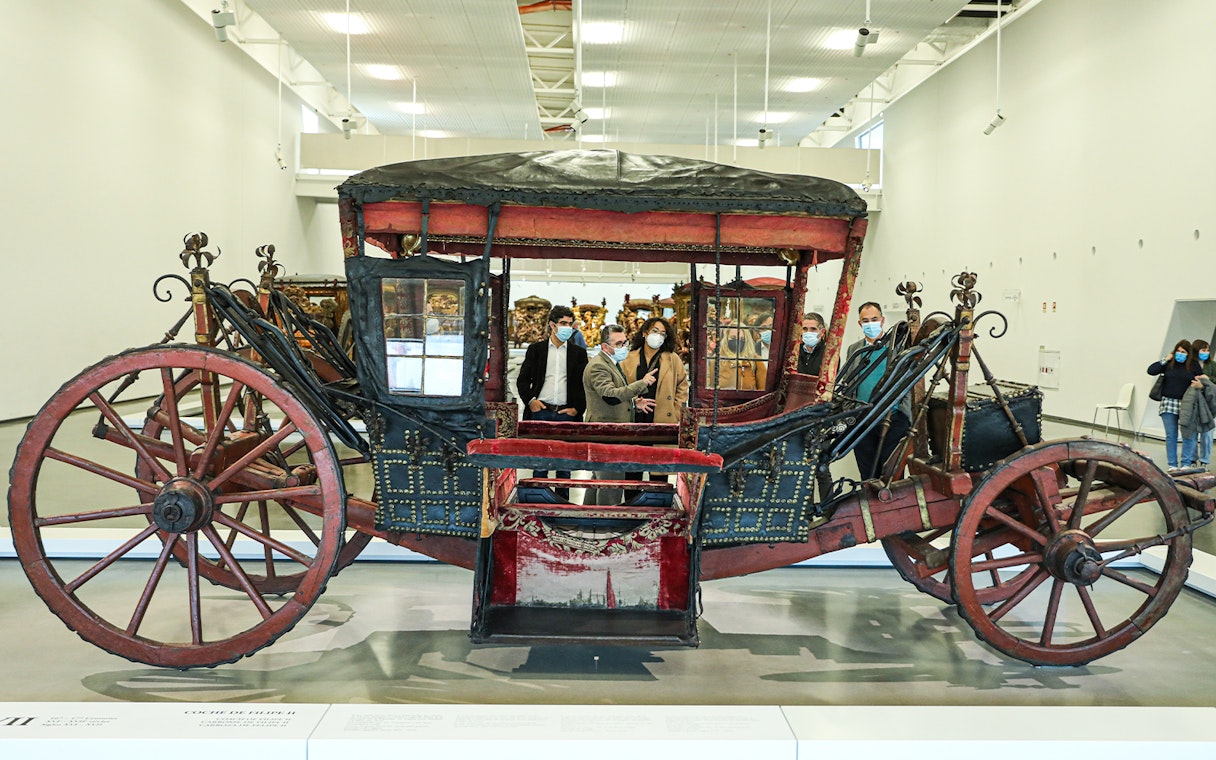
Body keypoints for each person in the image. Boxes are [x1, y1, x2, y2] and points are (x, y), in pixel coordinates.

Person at [515, 304, 588, 498]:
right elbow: (523, 380)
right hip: (541, 411)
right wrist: (531, 401)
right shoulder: (536, 350)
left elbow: (584, 386)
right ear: (552, 325)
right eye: (563, 323)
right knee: (540, 463)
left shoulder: (578, 353)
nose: (567, 327)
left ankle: (561, 504)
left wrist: (577, 409)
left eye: (570, 324)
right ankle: (537, 503)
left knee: (564, 465)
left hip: (567, 413)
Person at [583, 324, 657, 504]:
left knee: (599, 480)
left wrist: (633, 403)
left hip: (612, 430)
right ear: (604, 346)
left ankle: (589, 518)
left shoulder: (611, 363)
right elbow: (610, 396)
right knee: (611, 483)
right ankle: (607, 524)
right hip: (605, 432)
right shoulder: (598, 366)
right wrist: (642, 383)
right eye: (618, 344)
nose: (623, 347)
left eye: (625, 342)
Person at [846, 301, 912, 480]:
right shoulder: (855, 350)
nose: (870, 324)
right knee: (867, 474)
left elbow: (908, 382)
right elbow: (849, 383)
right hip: (862, 421)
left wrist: (906, 416)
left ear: (882, 320)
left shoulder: (898, 348)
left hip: (894, 420)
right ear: (860, 324)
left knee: (892, 474)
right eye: (865, 321)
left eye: (874, 319)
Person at [1147, 340, 1203, 472]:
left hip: (1187, 404)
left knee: (1187, 435)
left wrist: (1200, 385)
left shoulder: (1194, 365)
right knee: (1171, 435)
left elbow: (1203, 381)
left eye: (1183, 352)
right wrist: (1165, 359)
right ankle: (1172, 464)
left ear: (1188, 354)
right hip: (1168, 403)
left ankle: (1186, 463)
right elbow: (1151, 371)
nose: (1180, 354)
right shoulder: (1169, 364)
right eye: (1178, 351)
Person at [621, 316, 689, 424]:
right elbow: (620, 387)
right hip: (634, 414)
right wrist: (632, 402)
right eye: (655, 331)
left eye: (662, 333)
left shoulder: (672, 359)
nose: (658, 336)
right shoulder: (628, 358)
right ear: (645, 333)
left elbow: (682, 386)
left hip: (663, 416)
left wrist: (676, 413)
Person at [1194, 339, 1216, 468]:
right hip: (1194, 402)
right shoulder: (1190, 365)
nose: (1206, 353)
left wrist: (1208, 380)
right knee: (1191, 434)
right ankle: (1191, 460)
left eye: (1207, 350)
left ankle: (1204, 461)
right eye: (1203, 350)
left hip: (1209, 403)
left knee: (1207, 434)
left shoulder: (1212, 365)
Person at [797, 311, 827, 375]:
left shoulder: (828, 354)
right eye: (805, 329)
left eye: (813, 329)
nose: (808, 332)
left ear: (822, 332)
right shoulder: (794, 351)